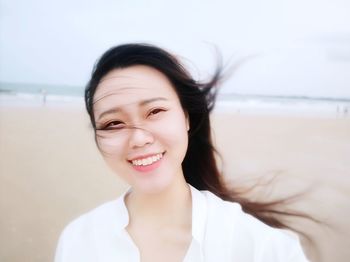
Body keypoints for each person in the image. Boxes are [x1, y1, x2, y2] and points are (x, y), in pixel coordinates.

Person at [55, 43, 309, 261]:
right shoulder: (79, 239)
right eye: (113, 124)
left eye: (155, 111)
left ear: (186, 117)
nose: (139, 139)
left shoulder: (265, 249)